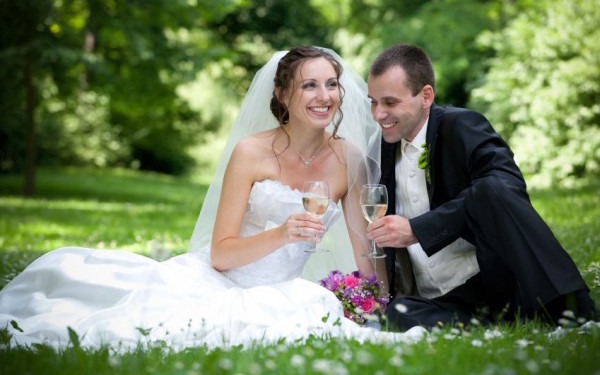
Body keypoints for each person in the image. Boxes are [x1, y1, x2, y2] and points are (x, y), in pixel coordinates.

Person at [0, 46, 425, 351]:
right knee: (133, 325)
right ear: (281, 95)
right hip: (221, 279)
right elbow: (220, 254)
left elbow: (363, 245)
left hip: (285, 289)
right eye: (309, 86)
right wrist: (282, 233)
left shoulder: (348, 157)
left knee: (308, 312)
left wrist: (377, 303)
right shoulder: (251, 153)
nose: (324, 96)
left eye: (331, 84)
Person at [365, 43, 598, 331]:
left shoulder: (460, 125)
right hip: (446, 299)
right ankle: (507, 322)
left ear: (426, 96)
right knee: (397, 314)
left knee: (490, 188)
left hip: (494, 279)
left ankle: (573, 313)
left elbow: (506, 185)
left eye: (389, 102)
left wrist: (418, 229)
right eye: (372, 102)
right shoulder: (380, 152)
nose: (378, 114)